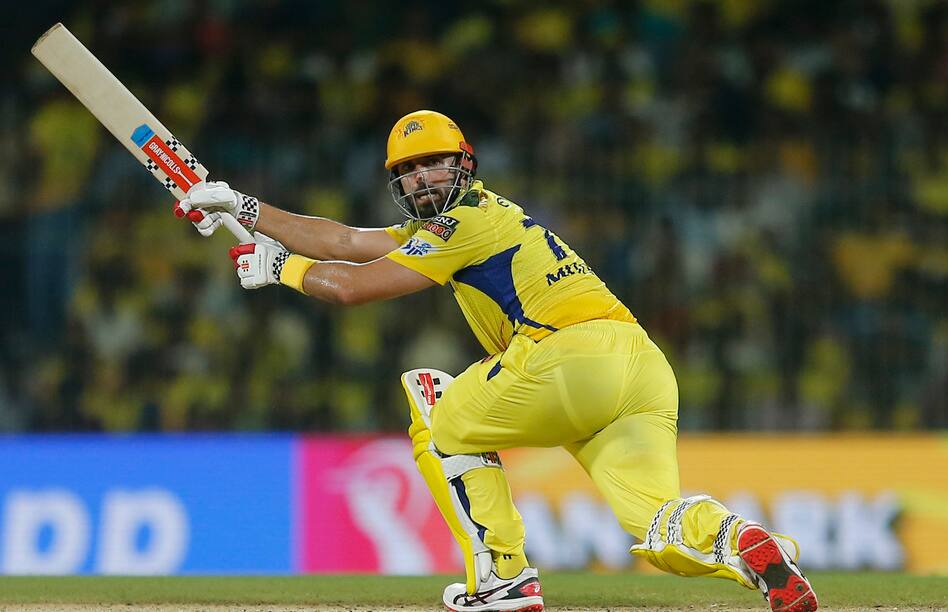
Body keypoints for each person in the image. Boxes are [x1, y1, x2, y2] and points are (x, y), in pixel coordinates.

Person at [176, 110, 818, 612]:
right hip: (640, 367)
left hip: (569, 358)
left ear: (465, 165)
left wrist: (280, 269)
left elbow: (348, 284)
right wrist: (245, 209)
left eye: (434, 165)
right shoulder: (467, 222)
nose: (423, 178)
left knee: (435, 407)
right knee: (658, 526)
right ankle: (748, 545)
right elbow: (346, 240)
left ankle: (502, 579)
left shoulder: (464, 225)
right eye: (410, 170)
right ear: (397, 182)